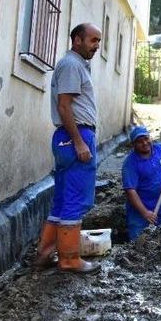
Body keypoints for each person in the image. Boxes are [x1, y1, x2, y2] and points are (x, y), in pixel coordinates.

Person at [35, 23, 103, 274]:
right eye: (93, 40)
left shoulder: (73, 65)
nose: (97, 46)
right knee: (76, 199)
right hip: (75, 136)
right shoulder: (72, 65)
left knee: (63, 200)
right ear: (77, 40)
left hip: (68, 137)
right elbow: (64, 107)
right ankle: (70, 258)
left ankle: (44, 254)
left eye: (98, 41)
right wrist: (79, 141)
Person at [122, 127, 161, 241]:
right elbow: (130, 191)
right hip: (140, 216)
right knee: (137, 247)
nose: (145, 143)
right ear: (133, 144)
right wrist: (145, 213)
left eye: (146, 138)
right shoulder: (130, 164)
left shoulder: (158, 149)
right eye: (140, 141)